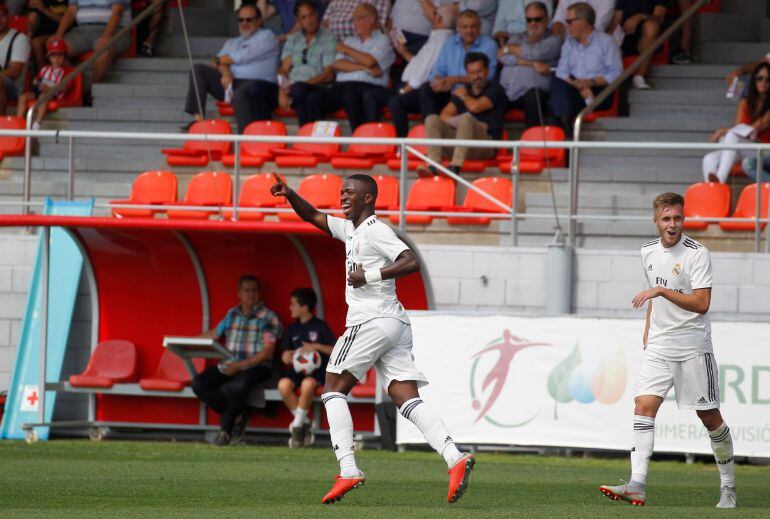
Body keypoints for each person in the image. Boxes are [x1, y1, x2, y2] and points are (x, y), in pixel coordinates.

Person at [270, 172, 475, 505]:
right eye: (342, 192)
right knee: (406, 398)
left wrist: (370, 274)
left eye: (351, 193)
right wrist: (290, 194)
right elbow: (313, 217)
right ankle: (455, 457)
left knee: (333, 388)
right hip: (393, 323)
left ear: (369, 198)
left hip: (371, 321)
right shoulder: (350, 229)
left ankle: (348, 468)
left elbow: (411, 261)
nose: (343, 197)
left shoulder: (377, 231)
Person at [599, 192, 736, 509]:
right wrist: (649, 330)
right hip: (659, 345)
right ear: (656, 220)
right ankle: (637, 485)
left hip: (692, 347)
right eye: (666, 219)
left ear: (683, 219)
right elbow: (653, 300)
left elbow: (701, 304)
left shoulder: (697, 254)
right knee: (643, 406)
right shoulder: (646, 251)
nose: (672, 224)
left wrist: (661, 290)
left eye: (677, 218)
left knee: (710, 417)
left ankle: (728, 488)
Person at [191, 275, 283, 446]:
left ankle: (225, 431)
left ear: (260, 292)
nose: (251, 294)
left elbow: (267, 353)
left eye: (254, 290)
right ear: (239, 293)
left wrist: (240, 366)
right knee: (198, 383)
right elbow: (214, 334)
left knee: (235, 387)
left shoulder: (269, 317)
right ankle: (239, 414)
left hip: (256, 366)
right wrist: (190, 342)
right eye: (246, 290)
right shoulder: (232, 313)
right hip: (229, 363)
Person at [182, 3, 279, 133]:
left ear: (259, 20)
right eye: (241, 20)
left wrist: (221, 61)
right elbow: (214, 62)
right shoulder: (233, 42)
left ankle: (245, 138)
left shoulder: (267, 36)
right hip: (232, 84)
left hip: (260, 86)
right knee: (198, 70)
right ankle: (198, 120)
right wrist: (226, 72)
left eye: (249, 19)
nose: (244, 23)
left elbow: (243, 56)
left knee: (240, 94)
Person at [367, 2, 456, 136]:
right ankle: (373, 138)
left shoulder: (442, 40)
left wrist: (404, 90)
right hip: (410, 85)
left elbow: (424, 72)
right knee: (371, 96)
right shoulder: (436, 36)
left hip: (418, 88)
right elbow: (419, 62)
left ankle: (401, 144)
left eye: (436, 14)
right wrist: (403, 52)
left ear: (438, 18)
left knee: (395, 101)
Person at [307, 3, 394, 131]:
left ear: (371, 19)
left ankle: (359, 138)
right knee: (314, 97)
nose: (355, 23)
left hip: (367, 87)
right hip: (342, 87)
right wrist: (363, 68)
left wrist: (347, 50)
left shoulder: (383, 40)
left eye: (358, 18)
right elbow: (337, 64)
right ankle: (318, 141)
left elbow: (369, 61)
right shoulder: (350, 40)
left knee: (350, 95)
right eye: (353, 19)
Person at [419, 51, 506, 176]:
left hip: (484, 147)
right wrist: (461, 124)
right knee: (432, 119)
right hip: (459, 145)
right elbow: (444, 115)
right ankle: (433, 165)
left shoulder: (496, 89)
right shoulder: (464, 90)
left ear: (487, 71)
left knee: (466, 119)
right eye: (472, 73)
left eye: (479, 71)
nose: (476, 76)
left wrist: (464, 100)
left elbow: (475, 107)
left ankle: (455, 167)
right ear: (468, 74)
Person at [548, 2, 622, 133]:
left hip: (598, 90)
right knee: (557, 82)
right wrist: (579, 85)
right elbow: (562, 71)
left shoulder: (606, 42)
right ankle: (566, 128)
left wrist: (590, 83)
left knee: (557, 103)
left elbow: (616, 73)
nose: (567, 26)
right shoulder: (569, 43)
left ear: (584, 22)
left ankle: (565, 133)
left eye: (570, 21)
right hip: (576, 89)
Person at [277, 287, 336, 448]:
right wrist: (286, 356)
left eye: (293, 304)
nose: (290, 307)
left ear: (304, 307)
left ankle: (296, 428)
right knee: (283, 385)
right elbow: (284, 353)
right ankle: (303, 422)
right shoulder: (292, 329)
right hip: (295, 372)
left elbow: (334, 349)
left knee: (307, 384)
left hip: (316, 373)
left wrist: (316, 346)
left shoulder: (320, 326)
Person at [420, 9, 497, 119]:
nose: (469, 31)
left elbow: (488, 77)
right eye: (465, 27)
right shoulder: (450, 42)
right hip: (450, 92)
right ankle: (430, 131)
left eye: (473, 26)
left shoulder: (489, 44)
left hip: (475, 92)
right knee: (426, 89)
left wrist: (455, 79)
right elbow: (438, 69)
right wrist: (438, 80)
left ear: (480, 27)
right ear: (458, 28)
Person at [702, 63, 770, 184]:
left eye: (768, 79)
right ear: (754, 80)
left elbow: (754, 128)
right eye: (759, 78)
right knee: (709, 158)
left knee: (732, 136)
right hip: (746, 147)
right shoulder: (745, 101)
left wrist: (723, 131)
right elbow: (738, 127)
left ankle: (720, 181)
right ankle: (715, 197)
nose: (763, 82)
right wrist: (728, 132)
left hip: (764, 149)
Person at [498, 1, 561, 128]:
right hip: (507, 90)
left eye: (537, 19)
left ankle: (533, 146)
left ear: (547, 19)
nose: (533, 23)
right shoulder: (516, 38)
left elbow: (535, 53)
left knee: (533, 98)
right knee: (491, 94)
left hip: (532, 93)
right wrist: (532, 64)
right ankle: (492, 145)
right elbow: (502, 57)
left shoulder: (554, 40)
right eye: (529, 20)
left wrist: (510, 49)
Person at [277, 0, 337, 126]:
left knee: (307, 95)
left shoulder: (329, 38)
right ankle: (307, 136)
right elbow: (283, 69)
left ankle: (303, 134)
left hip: (318, 87)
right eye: (304, 17)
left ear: (317, 14)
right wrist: (282, 91)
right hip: (293, 90)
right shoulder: (293, 39)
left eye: (311, 15)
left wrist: (300, 85)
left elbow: (328, 75)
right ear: (298, 21)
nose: (309, 21)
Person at [53, 0, 131, 84]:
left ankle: (92, 89)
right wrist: (59, 34)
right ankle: (75, 86)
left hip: (114, 29)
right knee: (56, 48)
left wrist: (106, 36)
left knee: (104, 50)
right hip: (82, 30)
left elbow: (118, 11)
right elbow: (71, 11)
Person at [16, 37, 71, 129]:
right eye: (53, 56)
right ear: (49, 57)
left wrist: (50, 88)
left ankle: (38, 122)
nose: (56, 59)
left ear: (64, 57)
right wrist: (37, 83)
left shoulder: (66, 72)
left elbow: (64, 88)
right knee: (23, 97)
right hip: (40, 91)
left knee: (43, 96)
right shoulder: (45, 69)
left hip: (53, 94)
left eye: (60, 56)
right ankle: (18, 122)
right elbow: (36, 81)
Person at [609, 0, 665, 90]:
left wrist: (640, 16)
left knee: (651, 26)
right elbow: (617, 19)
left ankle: (639, 76)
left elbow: (659, 18)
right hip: (625, 33)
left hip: (646, 38)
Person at [389, 0, 455, 56]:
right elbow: (394, 13)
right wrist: (389, 31)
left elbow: (437, 19)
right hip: (395, 33)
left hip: (421, 39)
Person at [0, 4, 30, 115]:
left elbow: (15, 70)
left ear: (8, 17)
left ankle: (1, 125)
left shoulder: (19, 38)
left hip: (13, 86)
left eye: (2, 15)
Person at [24, 0, 68, 69]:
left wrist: (44, 10)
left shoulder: (68, 2)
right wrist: (29, 33)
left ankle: (58, 72)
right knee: (35, 42)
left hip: (64, 32)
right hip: (44, 33)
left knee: (51, 42)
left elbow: (66, 21)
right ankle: (42, 74)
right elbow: (32, 20)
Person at [322, 0, 390, 39]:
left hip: (362, 47)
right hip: (331, 42)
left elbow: (377, 28)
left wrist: (333, 27)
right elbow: (324, 24)